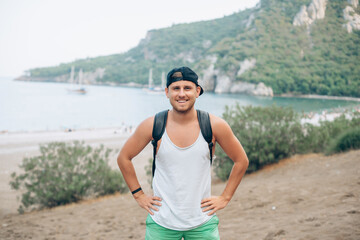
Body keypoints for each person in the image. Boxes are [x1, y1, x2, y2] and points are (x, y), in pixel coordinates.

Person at [117, 66, 249, 240]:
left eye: (187, 88)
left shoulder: (214, 125)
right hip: (161, 224)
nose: (181, 94)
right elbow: (124, 158)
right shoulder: (153, 125)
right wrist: (139, 195)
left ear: (197, 91)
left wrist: (225, 197)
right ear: (167, 92)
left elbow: (241, 160)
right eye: (176, 88)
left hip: (202, 223)